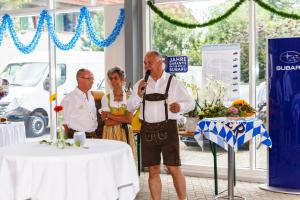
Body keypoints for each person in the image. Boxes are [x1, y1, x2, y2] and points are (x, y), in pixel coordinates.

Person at [127, 51, 195, 200]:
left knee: (174, 168)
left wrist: (180, 107)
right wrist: (138, 94)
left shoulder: (173, 82)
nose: (146, 66)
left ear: (160, 62)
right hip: (148, 130)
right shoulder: (141, 83)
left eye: (149, 63)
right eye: (145, 63)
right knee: (153, 169)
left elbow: (191, 103)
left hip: (168, 129)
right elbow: (130, 107)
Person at [100, 67, 136, 153]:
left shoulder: (130, 97)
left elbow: (129, 119)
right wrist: (124, 118)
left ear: (122, 79)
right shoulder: (106, 98)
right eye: (111, 79)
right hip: (110, 134)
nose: (113, 81)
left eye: (116, 78)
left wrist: (109, 115)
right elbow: (107, 122)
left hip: (126, 133)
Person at [62, 68, 98, 138]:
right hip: (77, 137)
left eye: (92, 79)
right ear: (79, 79)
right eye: (89, 79)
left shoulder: (91, 97)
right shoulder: (69, 99)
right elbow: (64, 123)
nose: (92, 81)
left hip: (93, 135)